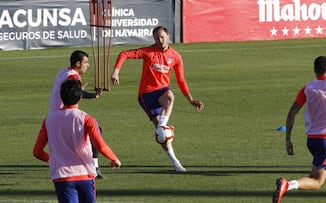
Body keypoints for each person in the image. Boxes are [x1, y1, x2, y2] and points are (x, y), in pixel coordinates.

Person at [111, 26, 204, 172]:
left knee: (170, 96)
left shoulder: (175, 56)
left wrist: (190, 100)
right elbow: (124, 54)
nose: (159, 40)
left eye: (162, 37)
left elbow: (181, 80)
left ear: (168, 36)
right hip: (146, 94)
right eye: (156, 38)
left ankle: (173, 157)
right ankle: (174, 159)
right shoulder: (148, 52)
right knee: (162, 134)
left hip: (162, 91)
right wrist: (116, 72)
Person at [273, 56, 326, 203]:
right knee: (317, 182)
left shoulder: (307, 88)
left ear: (314, 70)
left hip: (312, 141)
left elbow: (292, 112)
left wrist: (288, 139)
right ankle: (288, 185)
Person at [33, 80, 121, 203]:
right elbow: (100, 145)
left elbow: (37, 152)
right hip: (85, 174)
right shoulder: (86, 119)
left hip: (62, 177)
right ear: (80, 97)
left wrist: (53, 159)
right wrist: (114, 158)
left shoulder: (49, 120)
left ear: (61, 97)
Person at [49, 50, 105, 178]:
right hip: (65, 114)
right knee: (95, 131)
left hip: (54, 115)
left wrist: (81, 90)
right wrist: (94, 95)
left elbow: (73, 91)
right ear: (78, 63)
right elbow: (76, 93)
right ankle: (94, 167)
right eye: (86, 62)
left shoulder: (63, 72)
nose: (88, 65)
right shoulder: (73, 76)